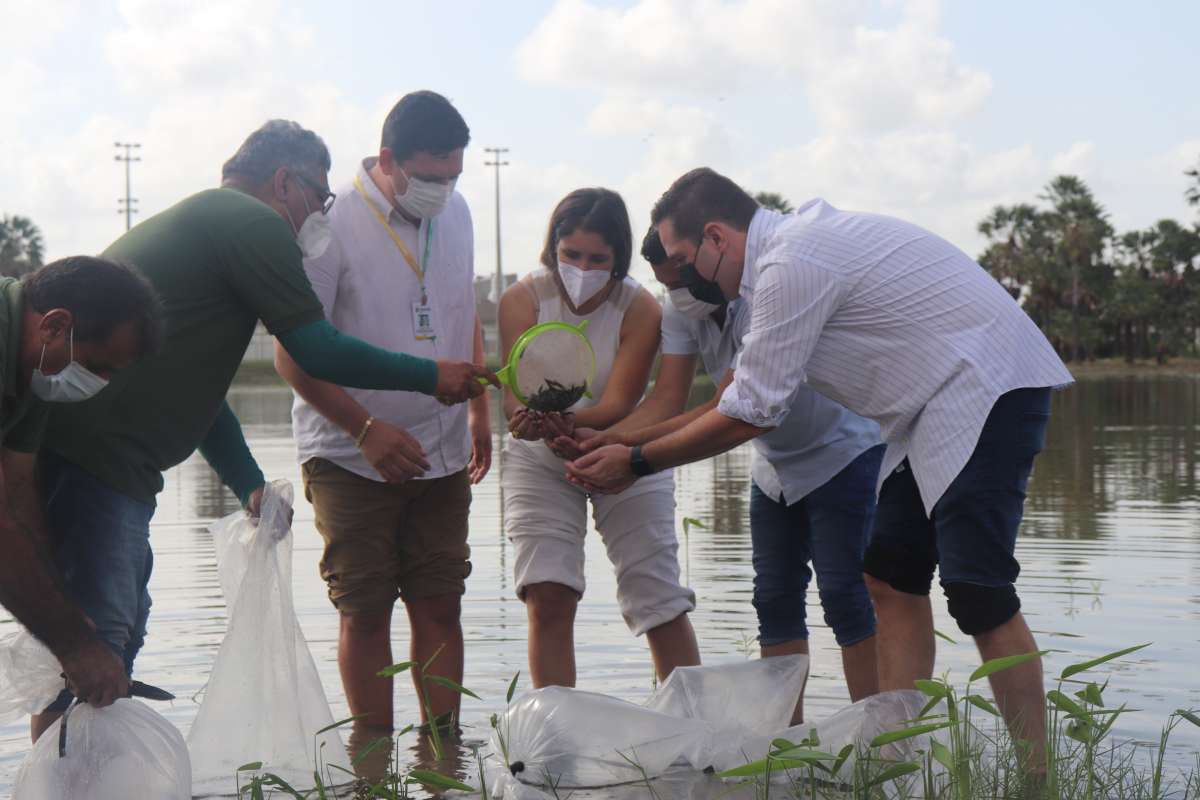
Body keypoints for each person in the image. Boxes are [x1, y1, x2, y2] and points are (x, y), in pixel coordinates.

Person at [568, 168, 1073, 775]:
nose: (683, 279)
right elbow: (738, 401)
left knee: (977, 590)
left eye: (682, 260)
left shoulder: (791, 260)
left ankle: (1037, 778)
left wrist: (636, 461)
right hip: (924, 411)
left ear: (716, 238)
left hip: (986, 384)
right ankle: (893, 764)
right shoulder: (773, 267)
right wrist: (624, 446)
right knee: (890, 578)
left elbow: (752, 409)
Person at [30, 120, 497, 742]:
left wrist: (247, 483)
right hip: (93, 466)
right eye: (319, 198)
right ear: (284, 183)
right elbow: (315, 348)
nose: (320, 215)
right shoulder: (251, 223)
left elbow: (197, 396)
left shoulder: (214, 227)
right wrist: (430, 375)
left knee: (109, 640)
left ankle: (76, 775)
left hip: (109, 469)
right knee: (92, 651)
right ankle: (61, 778)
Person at [564, 227, 883, 723]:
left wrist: (631, 453)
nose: (678, 294)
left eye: (682, 279)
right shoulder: (680, 311)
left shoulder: (760, 300)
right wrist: (609, 439)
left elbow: (724, 406)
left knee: (845, 594)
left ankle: (880, 735)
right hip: (774, 465)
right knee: (774, 598)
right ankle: (787, 741)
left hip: (841, 452)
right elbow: (669, 398)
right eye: (667, 285)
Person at [276, 92, 488, 738]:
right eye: (429, 177)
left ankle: (442, 755)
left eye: (453, 176)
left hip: (443, 451)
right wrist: (365, 431)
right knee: (365, 610)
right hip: (351, 456)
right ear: (388, 159)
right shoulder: (330, 225)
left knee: (440, 602)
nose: (442, 190)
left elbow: (463, 313)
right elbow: (291, 354)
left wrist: (479, 413)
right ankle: (372, 767)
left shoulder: (458, 214)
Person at [499, 188, 700, 688]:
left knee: (658, 598)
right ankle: (557, 725)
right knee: (547, 592)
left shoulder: (641, 308)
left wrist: (577, 428)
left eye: (597, 259)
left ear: (619, 258)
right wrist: (531, 422)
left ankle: (692, 720)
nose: (582, 268)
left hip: (625, 447)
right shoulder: (521, 299)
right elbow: (513, 399)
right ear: (553, 246)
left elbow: (618, 401)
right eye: (571, 255)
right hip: (539, 460)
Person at [0, 257, 162, 716]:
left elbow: (19, 493)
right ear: (55, 325)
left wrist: (68, 608)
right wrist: (75, 645)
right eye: (95, 365)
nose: (100, 384)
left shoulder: (34, 369)